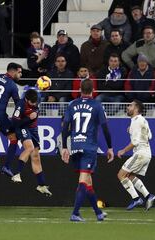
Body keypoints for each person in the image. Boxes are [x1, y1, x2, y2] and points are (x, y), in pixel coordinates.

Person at [61, 79, 114, 222]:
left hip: (75, 146)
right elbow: (105, 128)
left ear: (80, 89)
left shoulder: (72, 105)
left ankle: (98, 213)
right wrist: (110, 147)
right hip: (89, 147)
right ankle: (75, 213)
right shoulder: (97, 106)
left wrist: (65, 147)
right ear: (93, 90)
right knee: (83, 180)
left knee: (88, 182)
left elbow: (65, 126)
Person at [10, 89, 52, 196]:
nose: (34, 104)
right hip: (22, 127)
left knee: (36, 156)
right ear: (26, 99)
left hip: (33, 129)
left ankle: (41, 185)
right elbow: (15, 122)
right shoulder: (20, 104)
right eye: (32, 102)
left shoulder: (37, 100)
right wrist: (29, 118)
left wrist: (31, 118)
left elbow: (35, 115)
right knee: (29, 148)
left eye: (35, 102)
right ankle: (16, 173)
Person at [117, 100, 155, 210]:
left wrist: (123, 151)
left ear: (136, 109)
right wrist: (132, 130)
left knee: (121, 175)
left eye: (131, 105)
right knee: (130, 176)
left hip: (140, 154)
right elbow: (150, 136)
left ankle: (136, 199)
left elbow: (135, 143)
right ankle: (149, 196)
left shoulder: (135, 122)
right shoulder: (143, 120)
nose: (128, 107)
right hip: (147, 154)